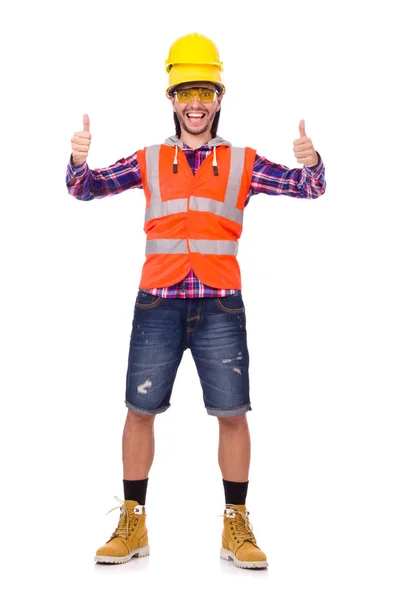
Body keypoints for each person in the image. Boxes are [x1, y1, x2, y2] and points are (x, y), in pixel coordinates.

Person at [65, 32, 326, 570]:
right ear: (172, 98)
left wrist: (313, 160)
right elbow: (85, 189)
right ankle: (132, 521)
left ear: (219, 96)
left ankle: (236, 527)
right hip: (157, 305)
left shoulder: (243, 162)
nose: (196, 103)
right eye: (186, 92)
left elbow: (309, 188)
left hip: (220, 309)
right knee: (139, 411)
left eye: (205, 91)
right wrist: (76, 162)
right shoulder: (150, 157)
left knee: (232, 414)